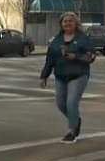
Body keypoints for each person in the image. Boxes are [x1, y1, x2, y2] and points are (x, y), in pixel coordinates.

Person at [40, 11, 96, 143]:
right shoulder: (56, 40)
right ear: (61, 24)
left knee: (71, 103)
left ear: (76, 23)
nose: (68, 23)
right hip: (60, 75)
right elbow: (50, 60)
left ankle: (71, 131)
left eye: (70, 21)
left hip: (78, 75)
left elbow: (91, 57)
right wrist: (44, 76)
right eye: (65, 21)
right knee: (61, 104)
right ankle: (75, 119)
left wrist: (75, 57)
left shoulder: (83, 38)